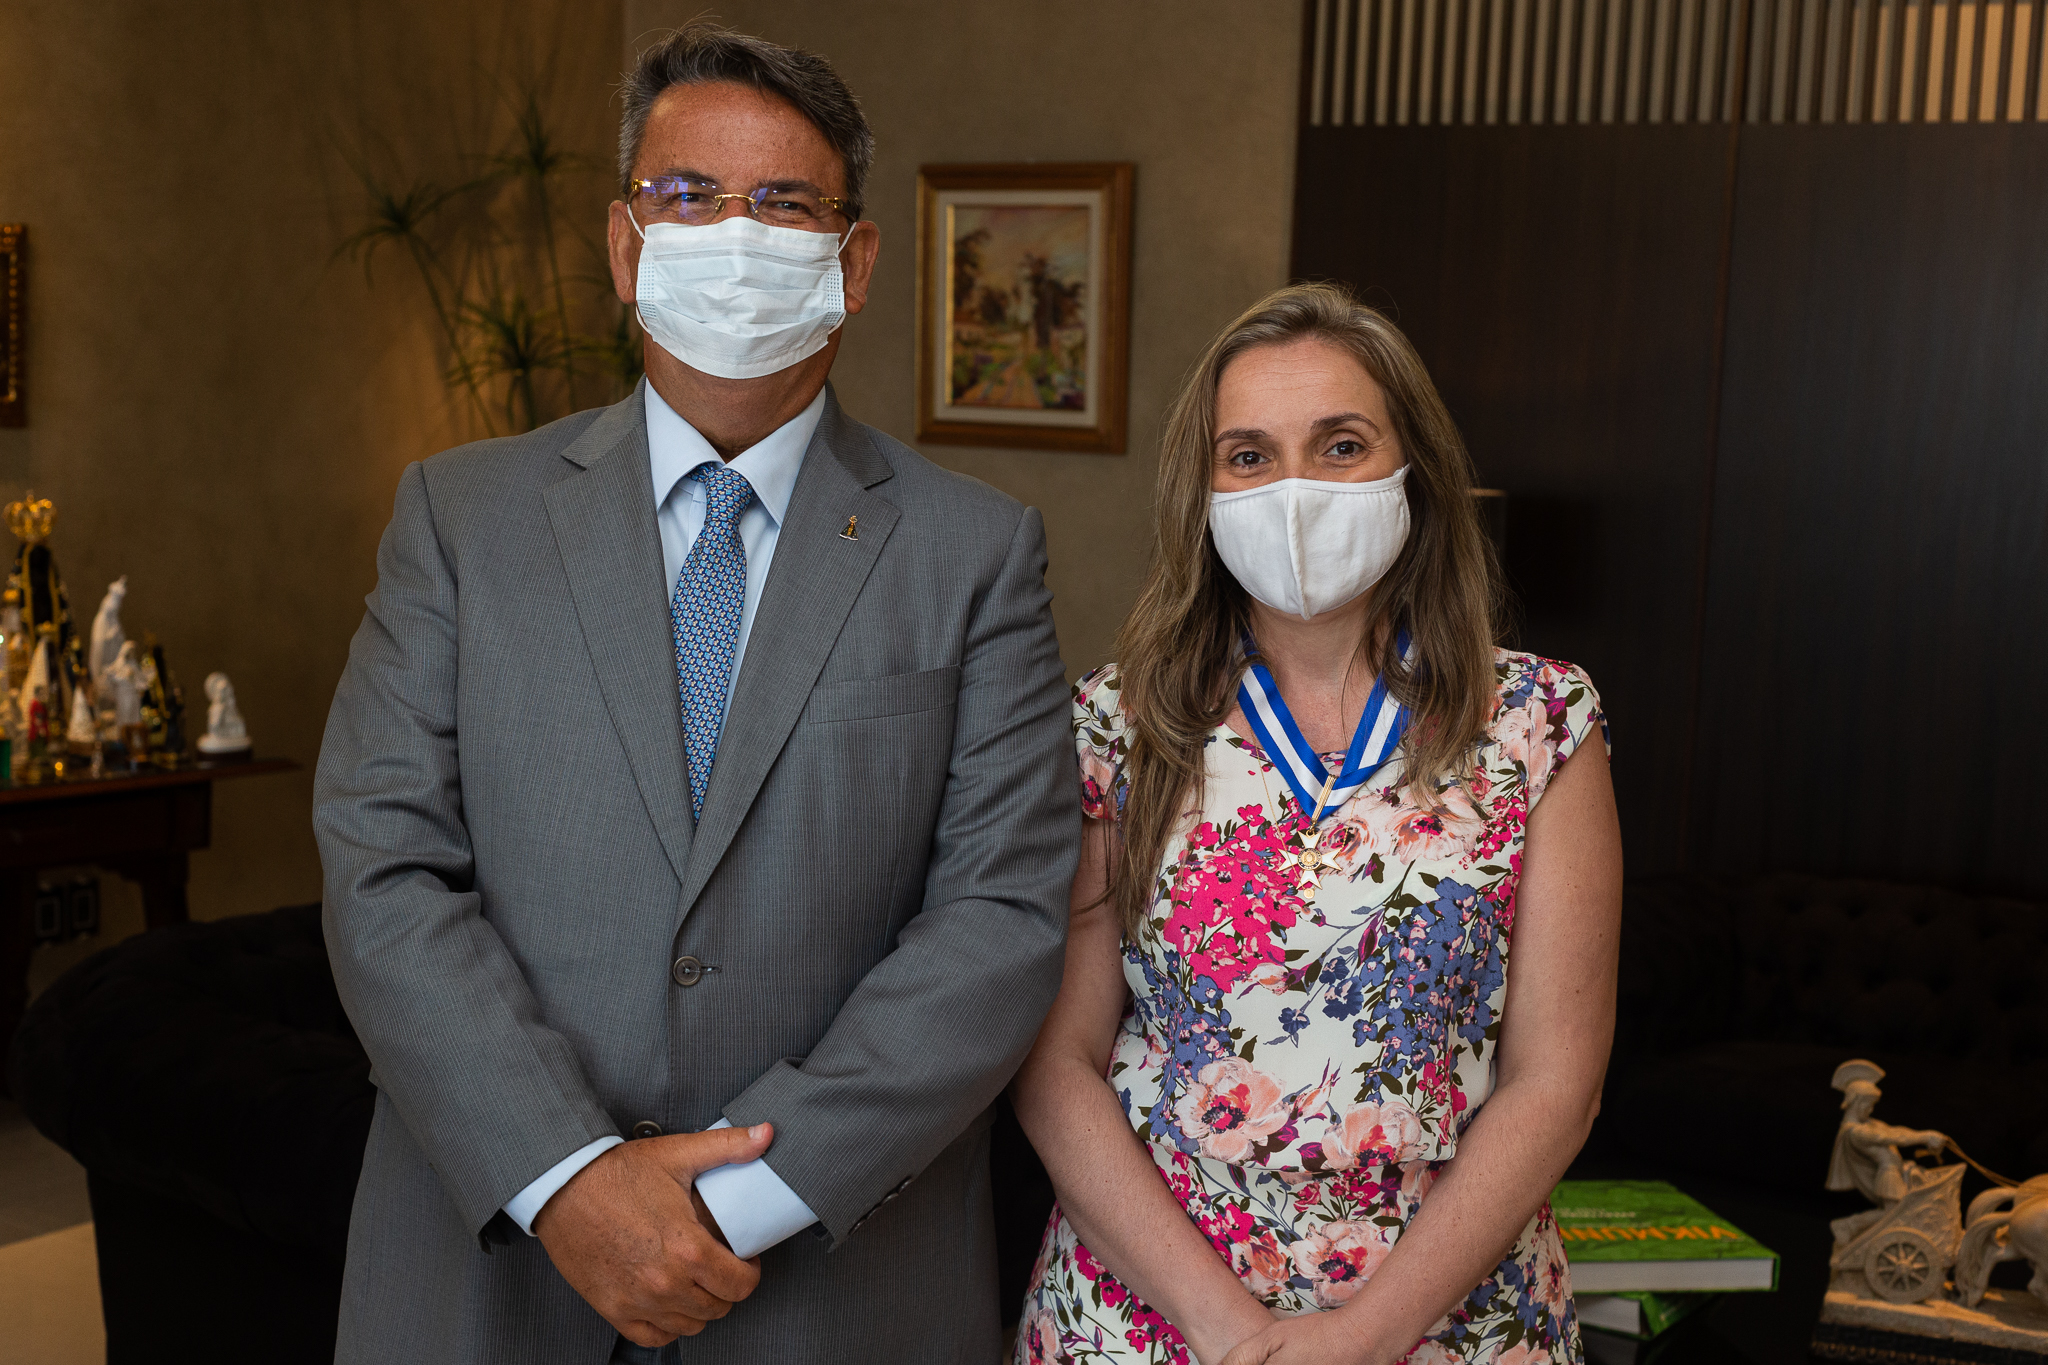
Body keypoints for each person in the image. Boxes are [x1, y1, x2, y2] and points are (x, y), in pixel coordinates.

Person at [314, 23, 1076, 1364]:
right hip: (492, 1272)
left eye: (784, 203)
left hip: (830, 1283)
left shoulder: (976, 552)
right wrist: (571, 1182)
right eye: (687, 196)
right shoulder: (460, 517)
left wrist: (728, 1206)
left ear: (853, 261)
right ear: (625, 247)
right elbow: (383, 865)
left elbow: (997, 921)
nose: (734, 235)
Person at [1010, 284, 1623, 1365]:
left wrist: (1363, 1338)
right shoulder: (1117, 723)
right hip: (1148, 1318)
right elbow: (1056, 1062)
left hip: (1450, 1322)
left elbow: (1555, 1083)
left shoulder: (1538, 719)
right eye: (1248, 456)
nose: (1293, 488)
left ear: (1411, 468)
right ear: (1201, 491)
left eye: (1341, 445)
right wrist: (1230, 1330)